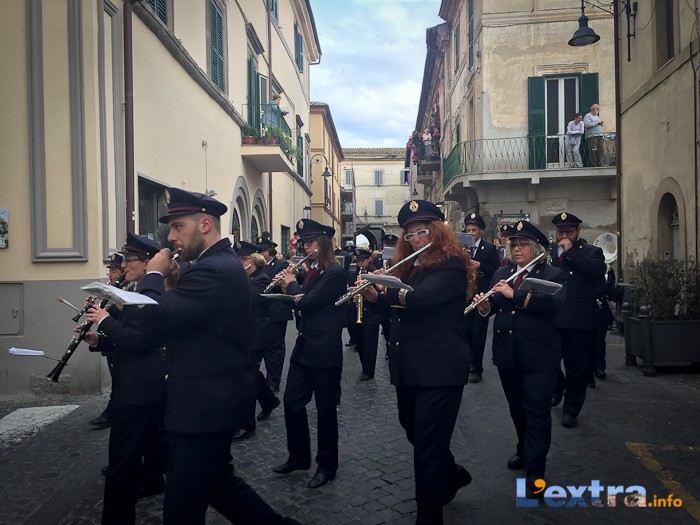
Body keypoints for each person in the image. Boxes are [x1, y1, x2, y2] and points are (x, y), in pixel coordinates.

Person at [137, 188, 297, 525]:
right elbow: (185, 318)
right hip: (207, 399)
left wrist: (153, 275)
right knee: (218, 484)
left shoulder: (213, 269)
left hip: (204, 404)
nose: (170, 237)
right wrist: (172, 283)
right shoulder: (213, 264)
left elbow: (156, 318)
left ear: (205, 224)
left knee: (182, 504)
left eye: (178, 226)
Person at [360, 199, 474, 524]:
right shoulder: (409, 267)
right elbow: (398, 309)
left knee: (426, 446)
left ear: (437, 231)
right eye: (409, 235)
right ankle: (452, 475)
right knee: (414, 430)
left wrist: (387, 287)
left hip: (439, 370)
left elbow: (420, 299)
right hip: (408, 367)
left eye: (422, 232)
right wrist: (374, 296)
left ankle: (428, 516)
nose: (415, 240)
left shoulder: (451, 264)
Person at [472, 220, 567, 498]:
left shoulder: (552, 274)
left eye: (523, 244)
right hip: (508, 354)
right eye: (514, 244)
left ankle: (536, 470)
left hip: (539, 356)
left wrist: (516, 295)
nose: (517, 249)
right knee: (517, 407)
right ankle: (524, 449)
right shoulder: (502, 272)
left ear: (536, 249)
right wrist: (484, 306)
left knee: (536, 411)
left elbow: (555, 305)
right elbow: (494, 309)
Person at [84, 233, 167, 524]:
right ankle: (153, 480)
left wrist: (105, 320)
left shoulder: (149, 293)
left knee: (122, 461)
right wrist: (99, 340)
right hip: (142, 383)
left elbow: (140, 340)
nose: (123, 265)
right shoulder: (136, 289)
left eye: (130, 259)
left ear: (147, 263)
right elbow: (131, 338)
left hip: (139, 387)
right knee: (152, 445)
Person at [272, 219, 347, 489]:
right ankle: (299, 456)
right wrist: (287, 288)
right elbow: (302, 300)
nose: (306, 247)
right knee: (292, 402)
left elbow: (310, 302)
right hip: (305, 346)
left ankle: (327, 465)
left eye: (311, 242)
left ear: (323, 243)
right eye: (303, 242)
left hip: (325, 349)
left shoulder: (335, 272)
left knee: (325, 410)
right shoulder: (313, 271)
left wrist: (292, 285)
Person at [550, 212, 606, 428]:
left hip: (578, 320)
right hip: (553, 318)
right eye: (560, 232)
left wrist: (571, 252)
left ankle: (571, 410)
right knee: (550, 362)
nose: (564, 236)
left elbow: (598, 270)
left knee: (576, 369)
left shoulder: (591, 252)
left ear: (577, 231)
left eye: (568, 232)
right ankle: (558, 387)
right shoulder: (550, 253)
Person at [231, 243, 281, 441]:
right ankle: (269, 401)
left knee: (247, 378)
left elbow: (248, 301)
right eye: (239, 259)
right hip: (244, 333)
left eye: (244, 259)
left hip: (255, 335)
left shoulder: (261, 279)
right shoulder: (247, 277)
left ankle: (246, 424)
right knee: (250, 373)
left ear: (253, 260)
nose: (241, 262)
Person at [89, 252, 125, 430]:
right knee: (116, 379)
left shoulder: (126, 289)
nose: (111, 274)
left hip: (120, 339)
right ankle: (114, 411)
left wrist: (109, 301)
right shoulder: (110, 289)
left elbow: (121, 313)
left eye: (115, 271)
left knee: (119, 380)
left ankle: (111, 413)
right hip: (108, 339)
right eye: (110, 271)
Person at [463, 213, 500, 384]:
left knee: (478, 333)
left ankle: (477, 368)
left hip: (481, 296)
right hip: (465, 295)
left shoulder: (489, 249)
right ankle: (466, 363)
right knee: (465, 331)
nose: (471, 233)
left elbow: (496, 271)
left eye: (474, 230)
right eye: (468, 230)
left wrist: (481, 266)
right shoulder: (461, 248)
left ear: (481, 231)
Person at [256, 236, 293, 393]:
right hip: (262, 313)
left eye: (263, 251)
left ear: (270, 251)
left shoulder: (281, 264)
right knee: (263, 347)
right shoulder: (258, 265)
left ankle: (273, 381)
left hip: (276, 311)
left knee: (275, 349)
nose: (260, 254)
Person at [349, 248, 382, 381]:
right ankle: (364, 366)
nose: (360, 264)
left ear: (369, 260)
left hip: (372, 313)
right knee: (360, 342)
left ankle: (369, 371)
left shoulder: (376, 274)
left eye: (362, 261)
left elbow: (381, 294)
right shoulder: (353, 274)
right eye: (358, 261)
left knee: (370, 344)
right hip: (357, 312)